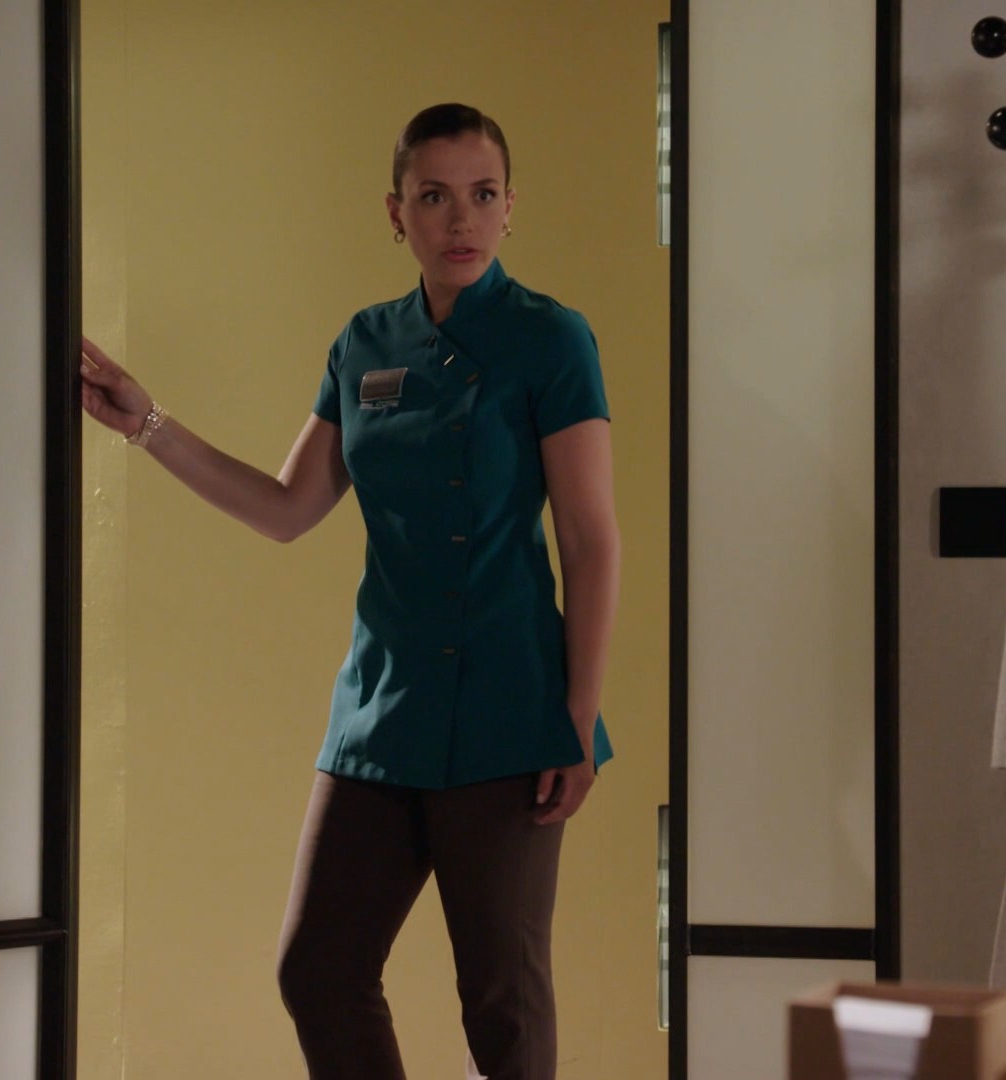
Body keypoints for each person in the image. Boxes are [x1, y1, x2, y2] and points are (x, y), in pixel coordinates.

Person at [78, 102, 621, 1080]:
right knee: (319, 971)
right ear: (396, 212)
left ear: (510, 207)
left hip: (509, 714)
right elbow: (287, 507)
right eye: (434, 197)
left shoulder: (552, 339)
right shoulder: (366, 344)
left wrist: (576, 718)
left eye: (482, 195)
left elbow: (589, 540)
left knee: (501, 999)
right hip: (383, 708)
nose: (460, 219)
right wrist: (146, 423)